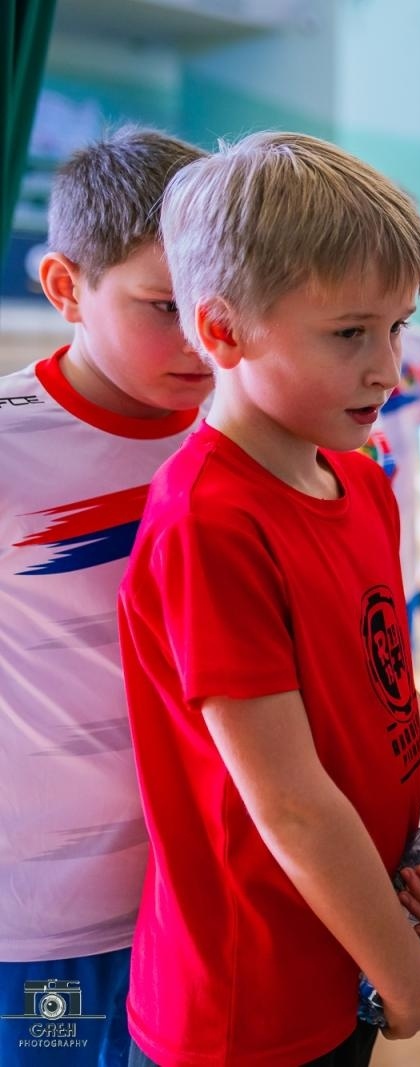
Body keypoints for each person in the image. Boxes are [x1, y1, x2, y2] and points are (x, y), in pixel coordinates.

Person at [118, 132, 420, 1065]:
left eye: (398, 327)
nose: (390, 366)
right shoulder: (210, 522)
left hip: (343, 962)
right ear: (222, 331)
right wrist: (406, 969)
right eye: (350, 333)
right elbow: (290, 802)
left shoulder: (362, 479)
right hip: (241, 1005)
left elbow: (386, 684)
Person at [0, 126, 205, 1067]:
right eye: (164, 305)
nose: (203, 339)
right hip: (46, 915)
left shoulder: (254, 436)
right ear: (65, 287)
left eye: (220, 302)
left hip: (212, 893)